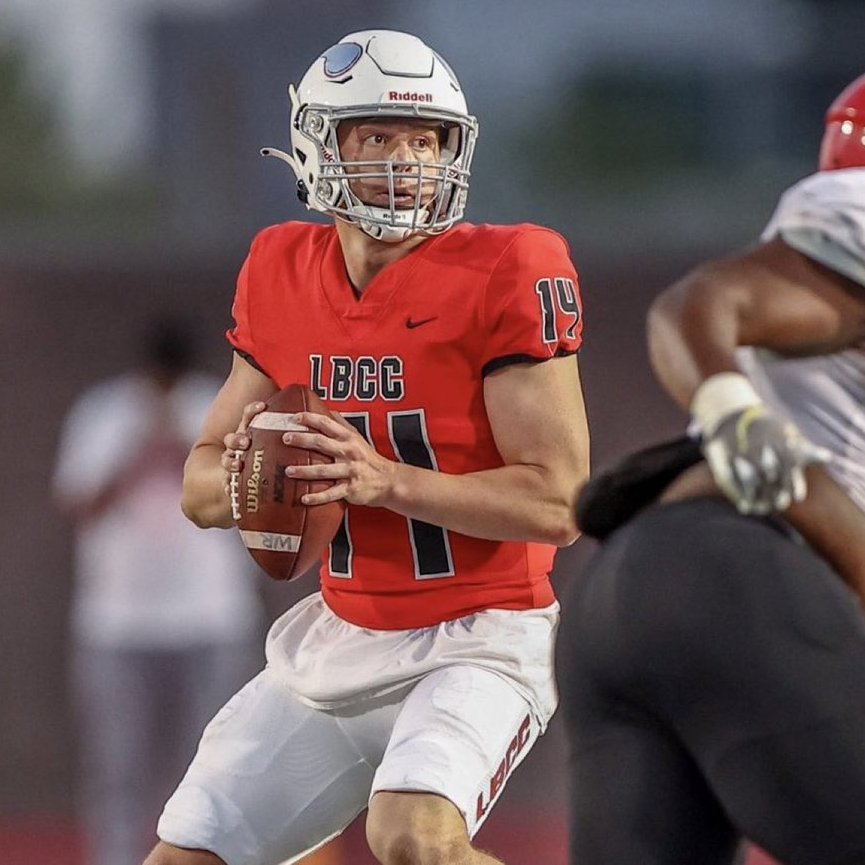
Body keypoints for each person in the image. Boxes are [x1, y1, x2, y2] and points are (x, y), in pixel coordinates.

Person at [144, 29, 590, 865]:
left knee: (413, 839)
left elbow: (560, 500)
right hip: (338, 635)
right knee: (184, 858)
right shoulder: (279, 266)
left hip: (481, 633)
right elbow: (199, 484)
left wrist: (385, 480)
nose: (406, 160)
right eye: (377, 135)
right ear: (319, 145)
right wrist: (250, 468)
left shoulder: (508, 267)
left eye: (425, 140)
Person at [557, 72, 865, 865]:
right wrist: (732, 408)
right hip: (734, 582)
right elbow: (702, 301)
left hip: (629, 594)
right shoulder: (847, 222)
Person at [53, 316, 264, 865]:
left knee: (216, 767)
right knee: (118, 769)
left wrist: (184, 448)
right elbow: (79, 505)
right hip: (118, 623)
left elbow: (248, 504)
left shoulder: (213, 410)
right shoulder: (105, 411)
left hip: (209, 616)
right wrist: (138, 445)